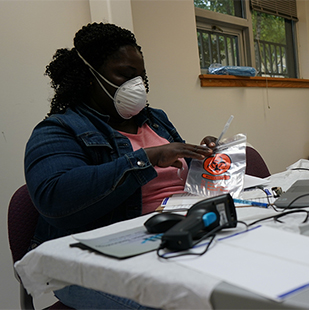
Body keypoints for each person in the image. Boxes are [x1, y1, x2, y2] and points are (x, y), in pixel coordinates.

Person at [24, 22, 216, 309]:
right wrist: (147, 158)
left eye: (140, 76)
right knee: (194, 302)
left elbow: (180, 173)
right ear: (89, 75)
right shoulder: (57, 130)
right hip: (96, 262)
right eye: (126, 75)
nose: (136, 85)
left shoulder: (156, 119)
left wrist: (203, 157)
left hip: (177, 235)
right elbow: (56, 200)